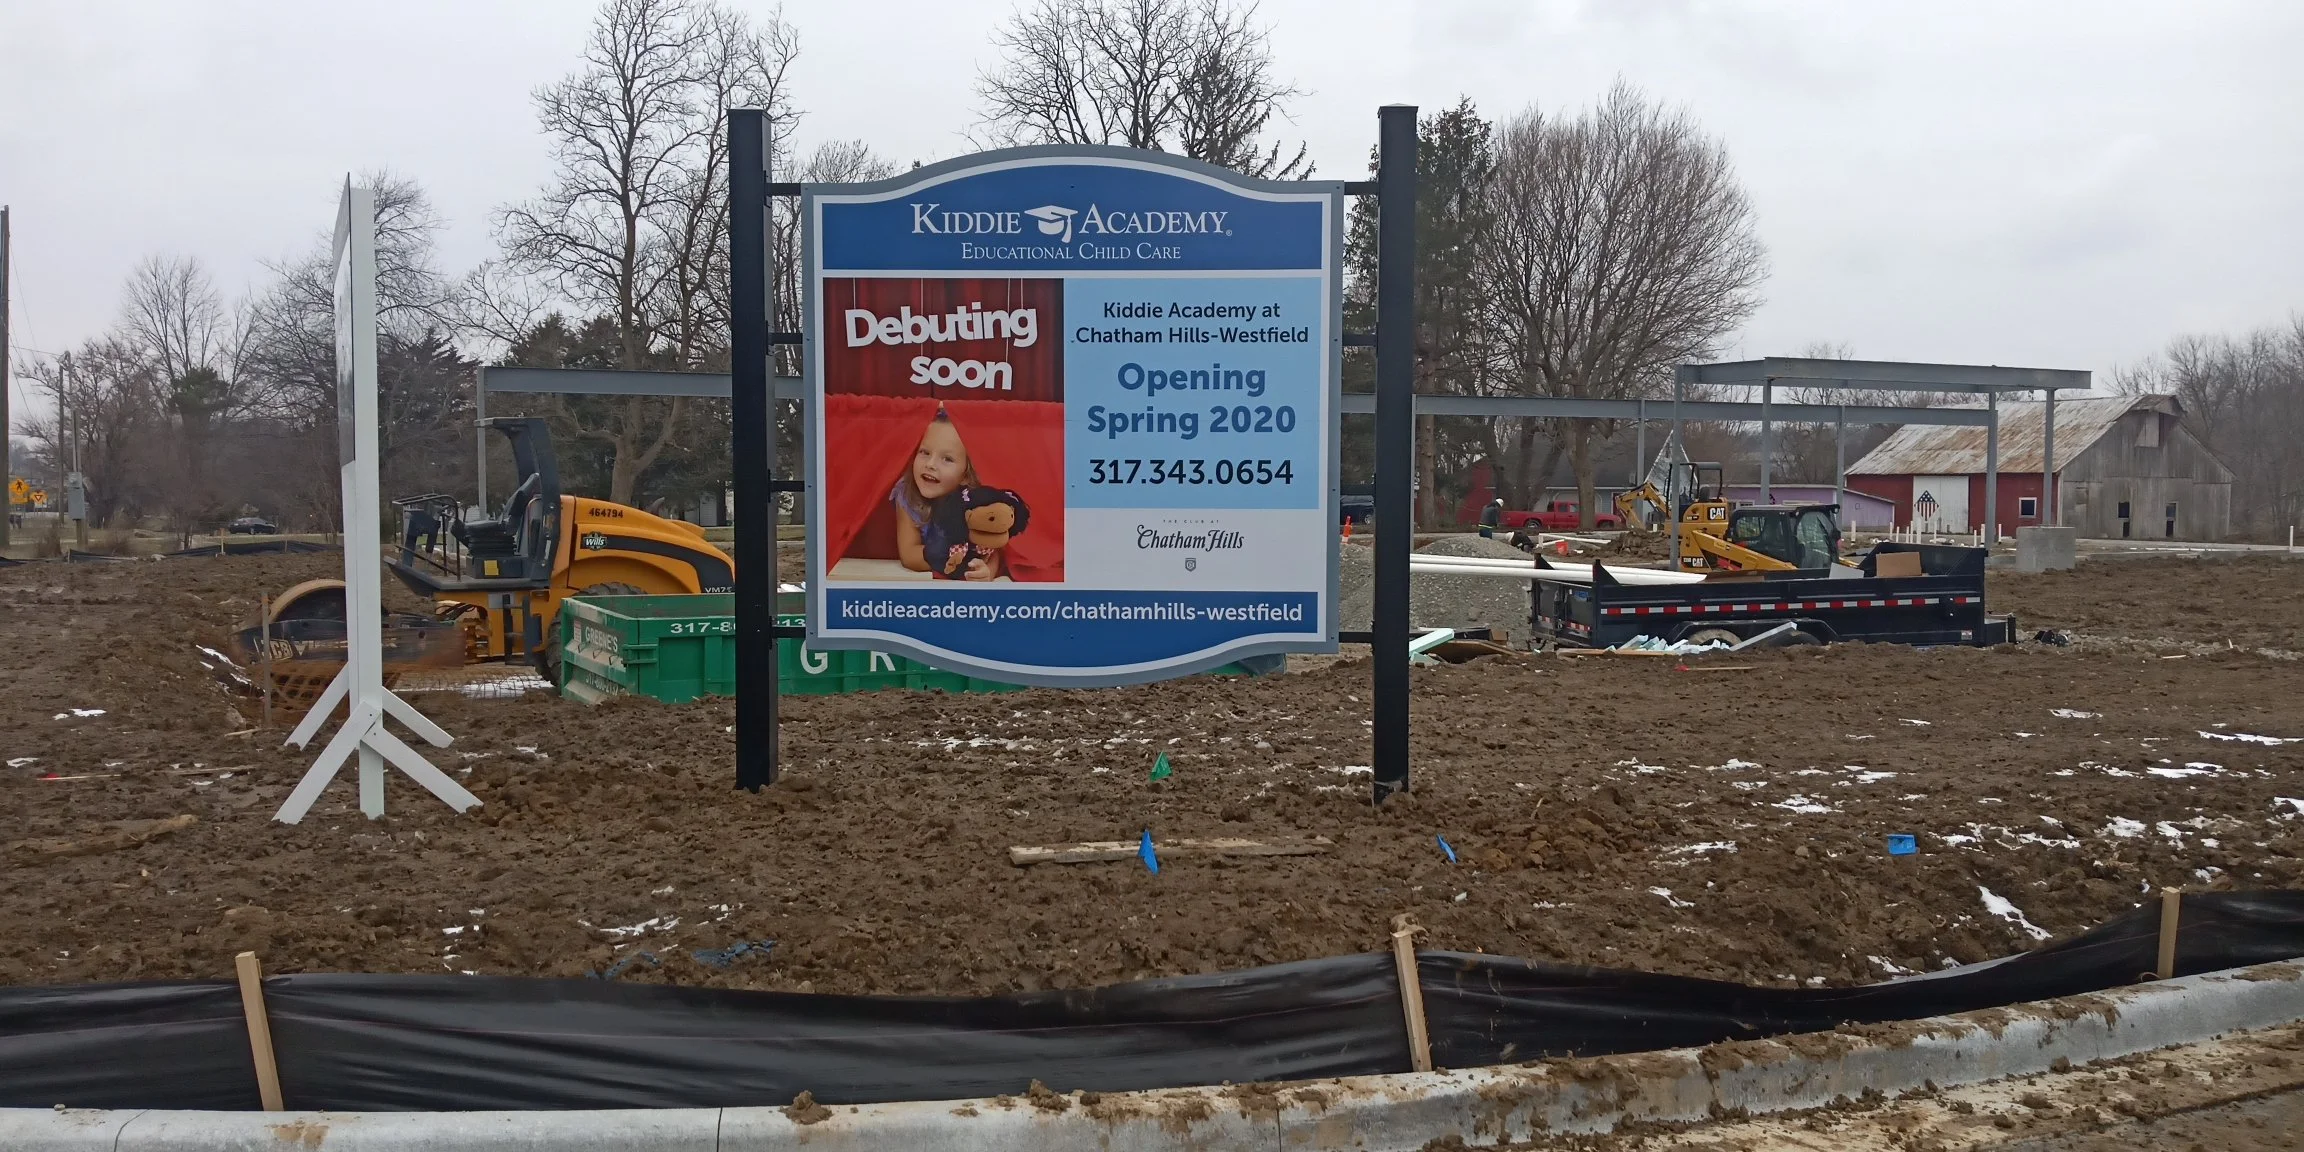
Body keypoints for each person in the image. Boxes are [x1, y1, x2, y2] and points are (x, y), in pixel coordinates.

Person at [892, 408, 999, 580]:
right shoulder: (907, 493)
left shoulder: (975, 501)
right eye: (924, 452)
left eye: (947, 459)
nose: (931, 464)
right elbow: (909, 554)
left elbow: (993, 550)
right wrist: (955, 559)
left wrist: (986, 572)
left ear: (966, 475)